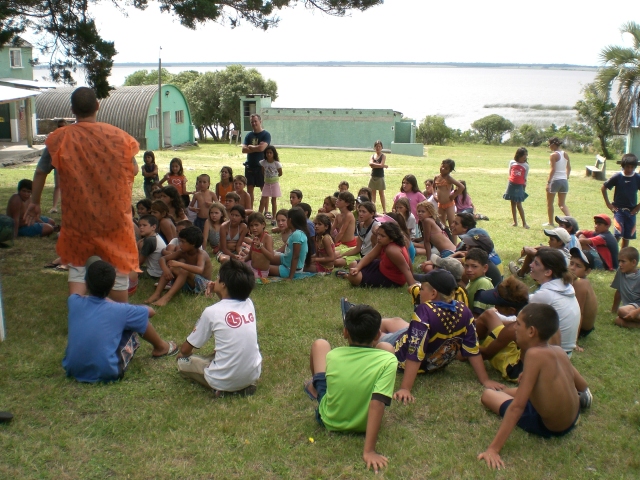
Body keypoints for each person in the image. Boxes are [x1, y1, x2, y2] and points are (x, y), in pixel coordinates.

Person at [25, 87, 140, 303]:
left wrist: (35, 202)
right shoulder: (118, 137)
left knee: (78, 266)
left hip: (79, 219)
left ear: (72, 110)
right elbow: (133, 170)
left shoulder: (60, 138)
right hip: (114, 219)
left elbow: (41, 171)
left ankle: (78, 315)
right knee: (117, 270)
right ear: (97, 106)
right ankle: (117, 319)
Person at [478, 304, 591, 470]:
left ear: (531, 331)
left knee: (488, 395)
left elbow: (517, 407)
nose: (514, 327)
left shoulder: (533, 354)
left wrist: (493, 449)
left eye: (518, 324)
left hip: (550, 426)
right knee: (507, 392)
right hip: (573, 419)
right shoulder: (558, 351)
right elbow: (582, 385)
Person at [376, 269, 504, 402]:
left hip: (404, 356)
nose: (419, 291)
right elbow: (472, 348)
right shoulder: (463, 309)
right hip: (436, 362)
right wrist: (485, 379)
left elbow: (414, 352)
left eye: (422, 288)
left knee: (379, 339)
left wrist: (405, 388)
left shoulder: (424, 311)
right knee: (395, 321)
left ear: (433, 293)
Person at [304, 304, 397, 473]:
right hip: (365, 425)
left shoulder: (333, 355)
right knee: (388, 349)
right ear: (377, 335)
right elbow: (378, 403)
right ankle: (315, 388)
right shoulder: (388, 360)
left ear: (345, 332)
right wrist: (368, 451)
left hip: (329, 420)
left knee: (320, 344)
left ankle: (314, 388)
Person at [63, 257, 178, 383]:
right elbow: (151, 312)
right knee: (137, 321)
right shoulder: (121, 310)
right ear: (113, 284)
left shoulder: (73, 302)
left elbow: (83, 299)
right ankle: (161, 347)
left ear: (86, 281)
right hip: (108, 372)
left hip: (72, 369)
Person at [177, 259, 261, 398]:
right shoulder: (248, 303)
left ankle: (222, 388)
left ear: (223, 285)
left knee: (182, 362)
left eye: (217, 278)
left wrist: (183, 355)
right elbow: (226, 304)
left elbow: (186, 349)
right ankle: (241, 385)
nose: (214, 280)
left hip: (222, 380)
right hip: (252, 375)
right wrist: (217, 290)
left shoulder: (211, 312)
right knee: (223, 353)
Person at [475, 276, 529, 382]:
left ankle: (467, 338)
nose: (495, 307)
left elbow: (486, 354)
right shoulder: (533, 316)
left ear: (512, 310)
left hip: (516, 371)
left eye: (498, 305)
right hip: (535, 364)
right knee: (490, 315)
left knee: (489, 314)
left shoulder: (512, 330)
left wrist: (464, 348)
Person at [527, 248, 580, 356]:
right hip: (565, 353)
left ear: (548, 272)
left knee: (509, 325)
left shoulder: (546, 294)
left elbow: (520, 316)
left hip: (552, 354)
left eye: (536, 264)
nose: (531, 265)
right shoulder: (566, 286)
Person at [144, 226, 212, 306]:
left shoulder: (201, 254)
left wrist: (180, 264)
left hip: (203, 286)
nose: (180, 245)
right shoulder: (182, 252)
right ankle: (157, 294)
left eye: (183, 242)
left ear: (193, 244)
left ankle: (167, 298)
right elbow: (162, 259)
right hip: (189, 284)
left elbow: (199, 269)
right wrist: (165, 270)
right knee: (171, 268)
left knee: (184, 270)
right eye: (180, 241)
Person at [341, 222, 415, 288]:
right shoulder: (383, 242)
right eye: (378, 234)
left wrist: (413, 287)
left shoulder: (392, 250)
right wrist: (357, 268)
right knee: (353, 264)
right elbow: (370, 256)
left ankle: (346, 275)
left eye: (382, 236)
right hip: (381, 266)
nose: (378, 238)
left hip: (390, 278)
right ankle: (350, 274)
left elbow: (406, 268)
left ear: (392, 238)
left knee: (354, 278)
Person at [258, 207, 310, 279]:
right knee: (263, 259)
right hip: (286, 259)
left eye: (285, 219)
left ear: (290, 220)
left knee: (262, 267)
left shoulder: (297, 235)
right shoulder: (295, 233)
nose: (281, 223)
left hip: (289, 269)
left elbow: (295, 257)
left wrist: (290, 277)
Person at [601, 153, 640, 249]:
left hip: (631, 212)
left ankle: (623, 258)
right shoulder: (618, 176)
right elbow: (603, 188)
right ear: (623, 166)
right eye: (627, 167)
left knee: (627, 237)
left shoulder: (637, 178)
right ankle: (611, 254)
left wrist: (637, 208)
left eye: (632, 167)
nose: (630, 169)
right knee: (617, 234)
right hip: (618, 210)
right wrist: (609, 204)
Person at [334, 200, 379, 268]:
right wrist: (343, 254)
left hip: (366, 256)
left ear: (372, 214)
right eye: (360, 211)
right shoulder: (360, 225)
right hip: (359, 251)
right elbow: (358, 248)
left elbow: (378, 228)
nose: (360, 214)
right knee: (333, 255)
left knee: (336, 262)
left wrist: (376, 230)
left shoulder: (376, 225)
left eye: (364, 212)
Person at [241, 114, 271, 210]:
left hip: (262, 167)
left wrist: (250, 147)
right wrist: (256, 148)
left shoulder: (266, 135)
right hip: (250, 166)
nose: (254, 123)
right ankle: (250, 210)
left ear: (260, 121)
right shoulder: (249, 135)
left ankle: (266, 211)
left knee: (264, 191)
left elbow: (262, 148)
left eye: (255, 121)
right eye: (252, 122)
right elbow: (243, 150)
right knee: (249, 191)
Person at [568, 248, 597, 339]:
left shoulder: (580, 283)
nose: (572, 268)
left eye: (578, 266)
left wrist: (574, 340)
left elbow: (579, 313)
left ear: (587, 271)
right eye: (571, 263)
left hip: (581, 330)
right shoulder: (577, 281)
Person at [434, 159, 465, 237]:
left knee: (452, 226)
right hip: (440, 204)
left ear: (450, 170)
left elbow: (461, 186)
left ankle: (454, 246)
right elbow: (433, 187)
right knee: (442, 226)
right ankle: (446, 243)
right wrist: (434, 194)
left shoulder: (449, 178)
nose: (443, 169)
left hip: (449, 204)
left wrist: (454, 195)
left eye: (446, 168)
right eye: (442, 166)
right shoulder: (437, 177)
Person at [610, 246, 640, 328]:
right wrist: (614, 310)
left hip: (637, 308)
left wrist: (635, 312)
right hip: (630, 308)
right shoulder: (620, 272)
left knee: (622, 311)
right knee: (618, 320)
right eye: (619, 261)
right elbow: (619, 291)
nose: (620, 264)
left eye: (623, 261)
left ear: (634, 262)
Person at [545, 137, 571, 226]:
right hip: (564, 181)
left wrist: (548, 183)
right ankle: (571, 221)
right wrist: (566, 177)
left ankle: (550, 222)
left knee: (549, 203)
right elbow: (569, 168)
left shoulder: (553, 155)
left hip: (555, 181)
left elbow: (553, 169)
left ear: (553, 144)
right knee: (562, 204)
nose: (549, 147)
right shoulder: (565, 154)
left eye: (549, 145)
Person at [503, 147, 530, 229]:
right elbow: (510, 172)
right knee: (512, 203)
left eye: (526, 155)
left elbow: (525, 177)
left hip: (519, 185)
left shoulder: (526, 166)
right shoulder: (512, 162)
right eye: (524, 155)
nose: (525, 157)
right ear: (519, 155)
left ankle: (524, 223)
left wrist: (524, 186)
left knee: (519, 203)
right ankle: (515, 222)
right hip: (511, 184)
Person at [465, 248, 494, 317]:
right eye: (466, 266)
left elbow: (478, 314)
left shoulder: (483, 282)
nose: (469, 270)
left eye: (474, 266)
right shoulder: (472, 282)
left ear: (485, 268)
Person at [244, 212, 273, 278]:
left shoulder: (267, 238)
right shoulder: (255, 238)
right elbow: (250, 255)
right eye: (251, 225)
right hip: (251, 266)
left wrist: (260, 247)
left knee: (243, 277)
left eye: (256, 225)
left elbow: (271, 257)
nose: (254, 228)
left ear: (263, 225)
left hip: (260, 273)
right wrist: (243, 259)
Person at [137, 215, 166, 279]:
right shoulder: (155, 236)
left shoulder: (150, 240)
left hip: (153, 274)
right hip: (158, 271)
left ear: (153, 227)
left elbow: (139, 262)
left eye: (144, 225)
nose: (141, 228)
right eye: (140, 225)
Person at [258, 145, 282, 219]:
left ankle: (274, 217)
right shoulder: (263, 162)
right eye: (267, 153)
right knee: (263, 199)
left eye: (270, 153)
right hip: (267, 183)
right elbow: (263, 171)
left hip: (274, 184)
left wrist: (274, 177)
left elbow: (280, 173)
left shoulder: (276, 163)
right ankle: (259, 215)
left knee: (273, 200)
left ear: (274, 153)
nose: (269, 154)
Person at [368, 140, 388, 213]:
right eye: (376, 146)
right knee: (373, 194)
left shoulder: (383, 156)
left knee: (381, 194)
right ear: (374, 147)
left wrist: (375, 165)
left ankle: (384, 210)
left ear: (382, 147)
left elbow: (380, 164)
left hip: (380, 177)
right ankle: (373, 209)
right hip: (373, 176)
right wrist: (382, 166)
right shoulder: (372, 156)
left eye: (379, 146)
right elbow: (370, 164)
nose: (378, 148)